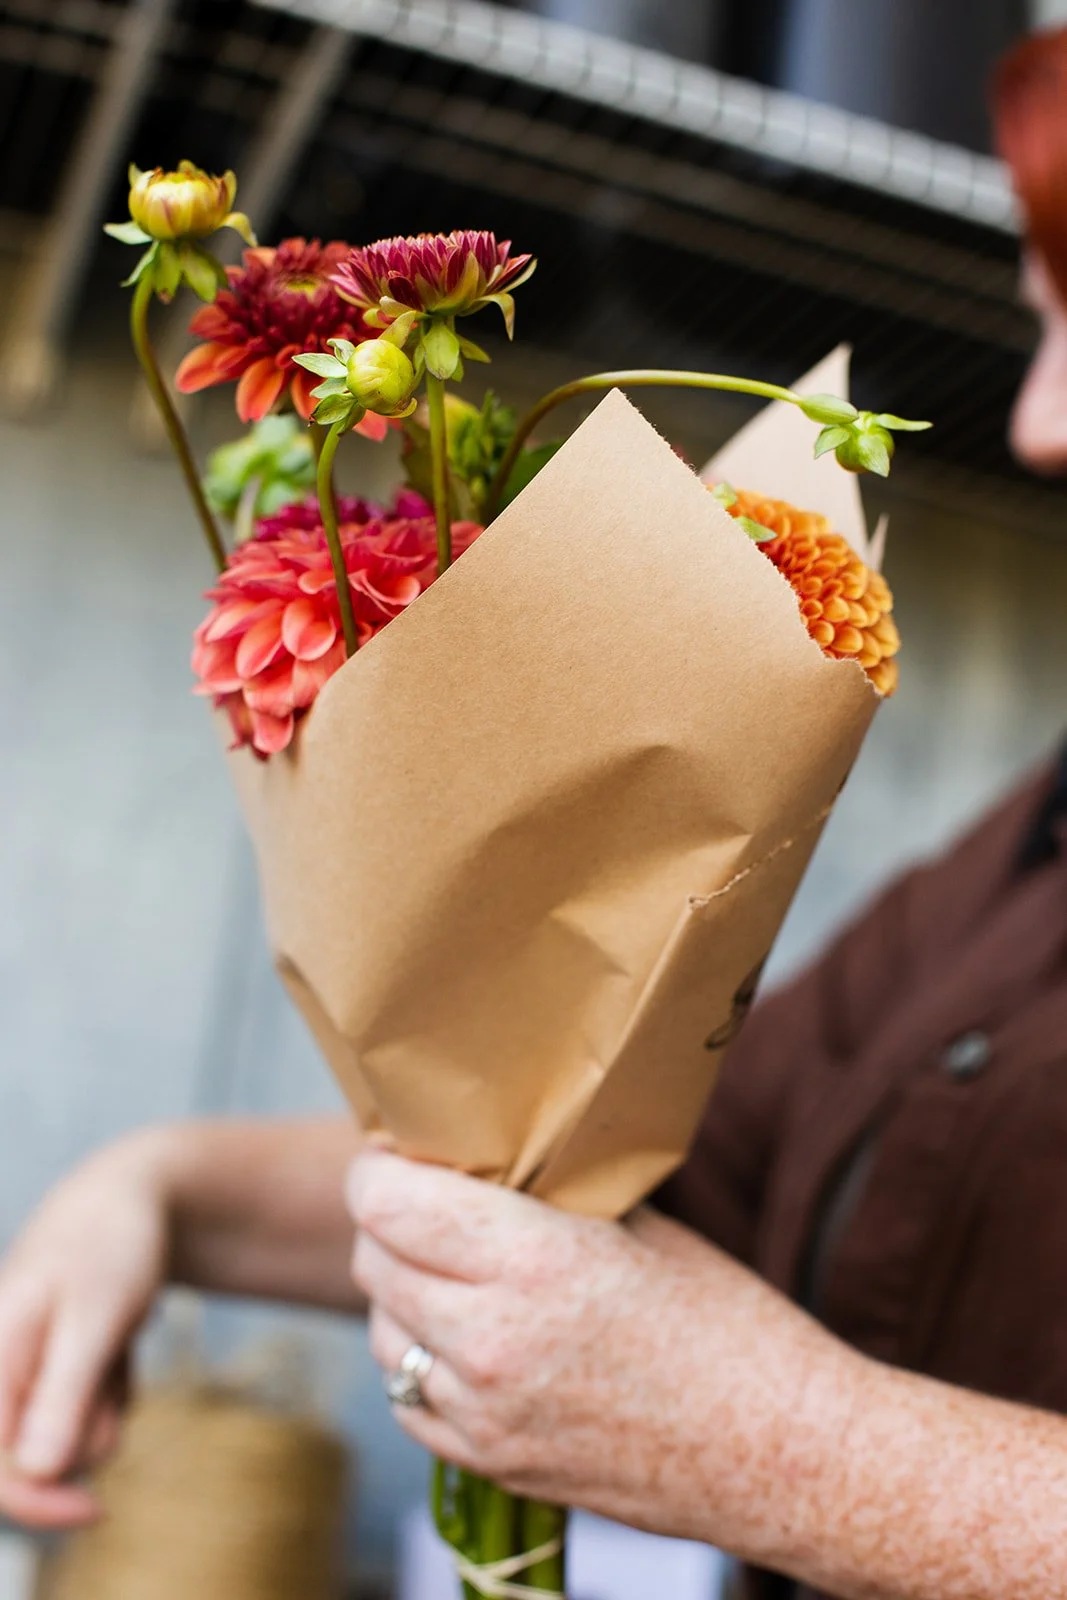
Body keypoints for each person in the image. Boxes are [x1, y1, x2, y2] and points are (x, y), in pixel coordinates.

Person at [2, 27, 1067, 1599]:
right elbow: (613, 1169)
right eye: (1043, 325)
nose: (1041, 425)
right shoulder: (1027, 843)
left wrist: (779, 1443)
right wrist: (160, 1189)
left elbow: (687, 1350)